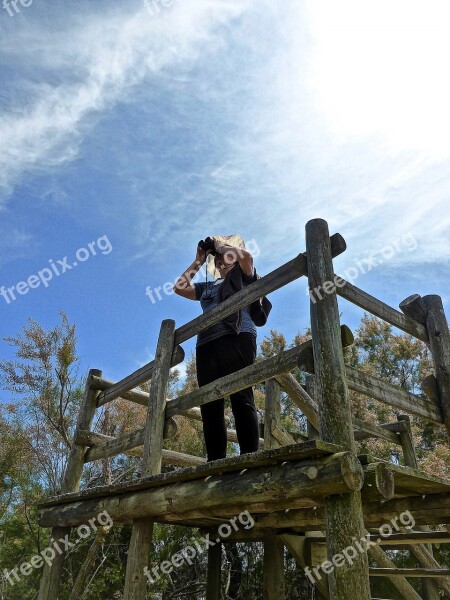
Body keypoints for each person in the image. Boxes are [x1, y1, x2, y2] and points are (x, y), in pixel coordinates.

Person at [173, 235, 260, 462]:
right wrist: (199, 260)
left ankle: (250, 459)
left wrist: (220, 247)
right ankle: (215, 463)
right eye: (218, 261)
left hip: (238, 337)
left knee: (241, 396)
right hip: (207, 344)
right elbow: (179, 288)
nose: (221, 263)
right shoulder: (208, 287)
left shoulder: (245, 277)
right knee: (209, 402)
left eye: (225, 259)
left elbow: (247, 257)